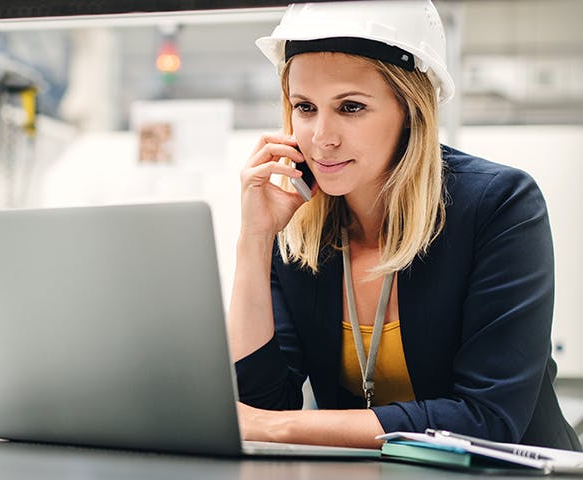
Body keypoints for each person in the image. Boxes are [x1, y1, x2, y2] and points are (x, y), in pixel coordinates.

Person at [227, 0, 582, 451]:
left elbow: (486, 420)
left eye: (351, 107)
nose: (321, 137)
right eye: (305, 107)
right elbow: (262, 403)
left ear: (411, 109)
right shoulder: (301, 227)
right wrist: (254, 239)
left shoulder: (499, 205)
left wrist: (274, 427)